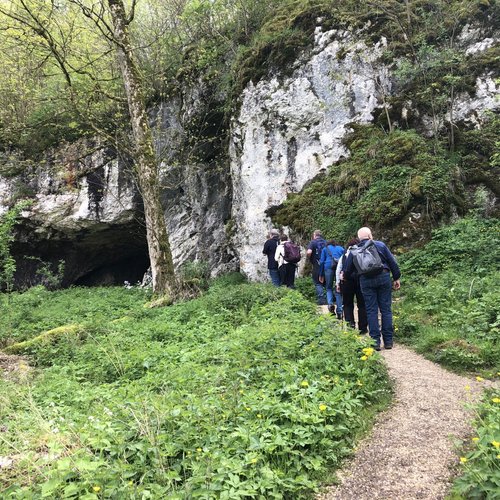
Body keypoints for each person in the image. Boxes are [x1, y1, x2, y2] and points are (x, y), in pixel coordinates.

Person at [343, 227, 401, 350]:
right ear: (370, 236)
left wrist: (348, 278)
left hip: (366, 281)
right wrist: (396, 278)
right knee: (386, 310)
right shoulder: (380, 245)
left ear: (359, 238)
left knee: (371, 310)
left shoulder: (354, 250)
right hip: (383, 277)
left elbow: (347, 271)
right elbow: (392, 262)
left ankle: (375, 342)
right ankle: (388, 341)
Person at [337, 238, 368, 334]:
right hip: (360, 280)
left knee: (347, 304)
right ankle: (363, 328)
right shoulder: (362, 252)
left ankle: (350, 326)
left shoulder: (344, 255)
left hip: (347, 281)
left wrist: (338, 283)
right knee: (362, 304)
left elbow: (339, 269)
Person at [319, 239, 344, 318]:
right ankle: (339, 310)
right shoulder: (341, 248)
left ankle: (330, 305)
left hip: (328, 268)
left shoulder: (325, 249)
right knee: (338, 288)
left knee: (329, 288)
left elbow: (322, 262)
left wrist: (321, 274)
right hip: (339, 268)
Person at [306, 230, 327, 305]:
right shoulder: (326, 242)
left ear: (314, 235)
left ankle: (321, 300)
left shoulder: (313, 242)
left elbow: (309, 252)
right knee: (327, 282)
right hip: (326, 265)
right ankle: (331, 298)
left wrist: (309, 258)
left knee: (318, 283)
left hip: (317, 264)